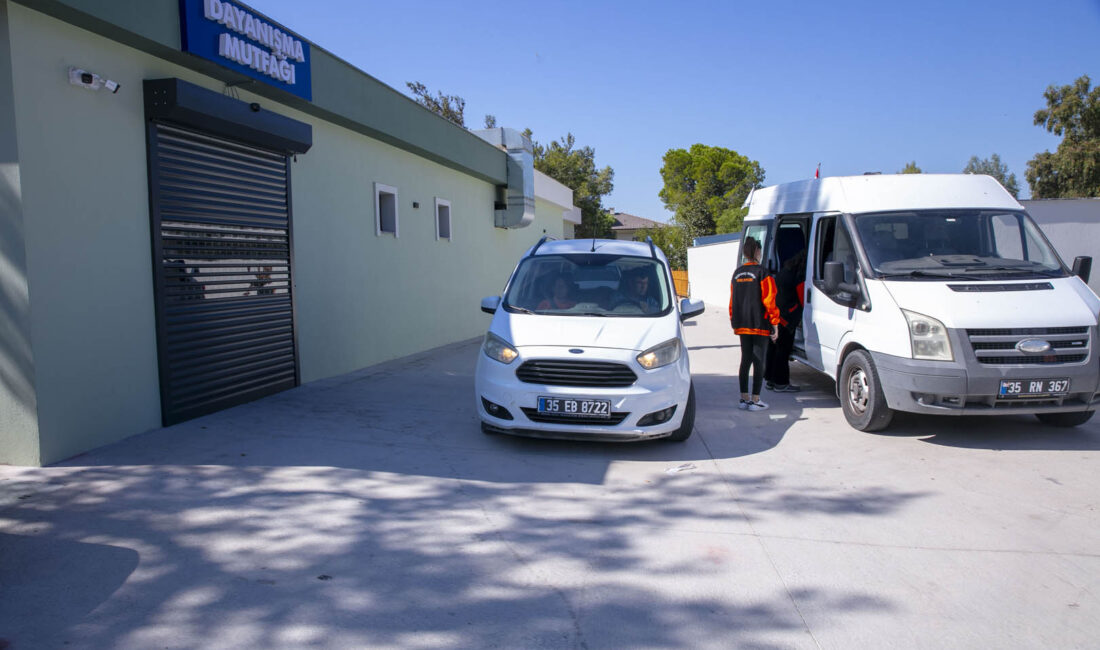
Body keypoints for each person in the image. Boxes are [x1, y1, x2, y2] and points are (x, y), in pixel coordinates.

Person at [729, 237, 780, 411]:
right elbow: (769, 300)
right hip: (759, 323)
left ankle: (743, 399)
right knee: (759, 361)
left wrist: (733, 320)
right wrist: (775, 323)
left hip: (742, 324)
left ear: (744, 252)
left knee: (745, 360)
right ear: (757, 251)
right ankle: (756, 400)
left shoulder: (737, 273)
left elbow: (732, 300)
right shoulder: (762, 272)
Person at [765, 249, 806, 392]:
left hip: (776, 315)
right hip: (786, 318)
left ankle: (769, 380)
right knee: (783, 350)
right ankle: (781, 383)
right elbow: (803, 299)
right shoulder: (797, 276)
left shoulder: (784, 271)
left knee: (773, 348)